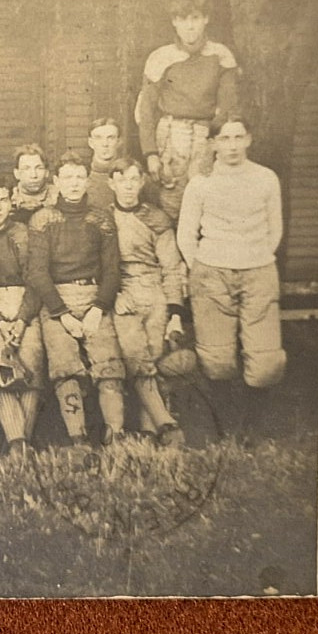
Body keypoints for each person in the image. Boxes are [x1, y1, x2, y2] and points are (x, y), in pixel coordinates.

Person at [177, 115, 286, 440]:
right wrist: (205, 265)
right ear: (212, 143)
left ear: (249, 139)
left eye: (238, 137)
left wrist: (253, 255)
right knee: (216, 356)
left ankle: (251, 429)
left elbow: (274, 229)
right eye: (224, 138)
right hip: (211, 272)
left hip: (258, 271)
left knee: (266, 359)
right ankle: (222, 426)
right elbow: (186, 234)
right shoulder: (201, 183)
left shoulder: (266, 179)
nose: (232, 145)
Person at [26, 151, 127, 447]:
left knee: (108, 362)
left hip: (94, 297)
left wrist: (98, 308)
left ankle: (116, 435)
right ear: (56, 181)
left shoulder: (100, 219)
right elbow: (38, 273)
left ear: (87, 181)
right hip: (57, 300)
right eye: (67, 177)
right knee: (64, 363)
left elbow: (112, 271)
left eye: (79, 177)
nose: (73, 183)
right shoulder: (42, 220)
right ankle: (78, 436)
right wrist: (62, 314)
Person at [134, 0, 240, 219]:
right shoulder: (161, 57)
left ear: (206, 19)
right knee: (170, 199)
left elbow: (227, 108)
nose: (189, 26)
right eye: (182, 20)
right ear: (174, 21)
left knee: (205, 200)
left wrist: (213, 147)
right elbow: (146, 110)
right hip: (171, 134)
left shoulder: (220, 55)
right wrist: (151, 153)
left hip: (206, 134)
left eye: (195, 18)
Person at [107, 157, 187, 446]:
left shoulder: (156, 219)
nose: (128, 187)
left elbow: (170, 268)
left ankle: (149, 431)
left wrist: (174, 311)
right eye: (121, 180)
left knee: (155, 357)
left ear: (142, 182)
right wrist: (114, 293)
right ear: (111, 184)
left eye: (133, 180)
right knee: (136, 357)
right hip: (123, 291)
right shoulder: (103, 219)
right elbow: (100, 265)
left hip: (154, 291)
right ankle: (166, 424)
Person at [0, 174, 46, 459]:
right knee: (1, 363)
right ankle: (16, 441)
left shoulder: (23, 233)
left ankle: (21, 442)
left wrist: (23, 318)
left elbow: (37, 279)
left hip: (25, 304)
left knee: (32, 360)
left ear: (11, 201)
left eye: (3, 200)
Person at [84, 118, 160, 213]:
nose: (105, 144)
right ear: (91, 143)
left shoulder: (136, 175)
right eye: (98, 138)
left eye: (111, 138)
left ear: (119, 141)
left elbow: (156, 209)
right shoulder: (82, 177)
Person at [10, 143, 56, 225]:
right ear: (16, 173)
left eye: (39, 168)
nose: (33, 175)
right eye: (26, 169)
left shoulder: (58, 197)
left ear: (47, 172)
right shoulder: (6, 199)